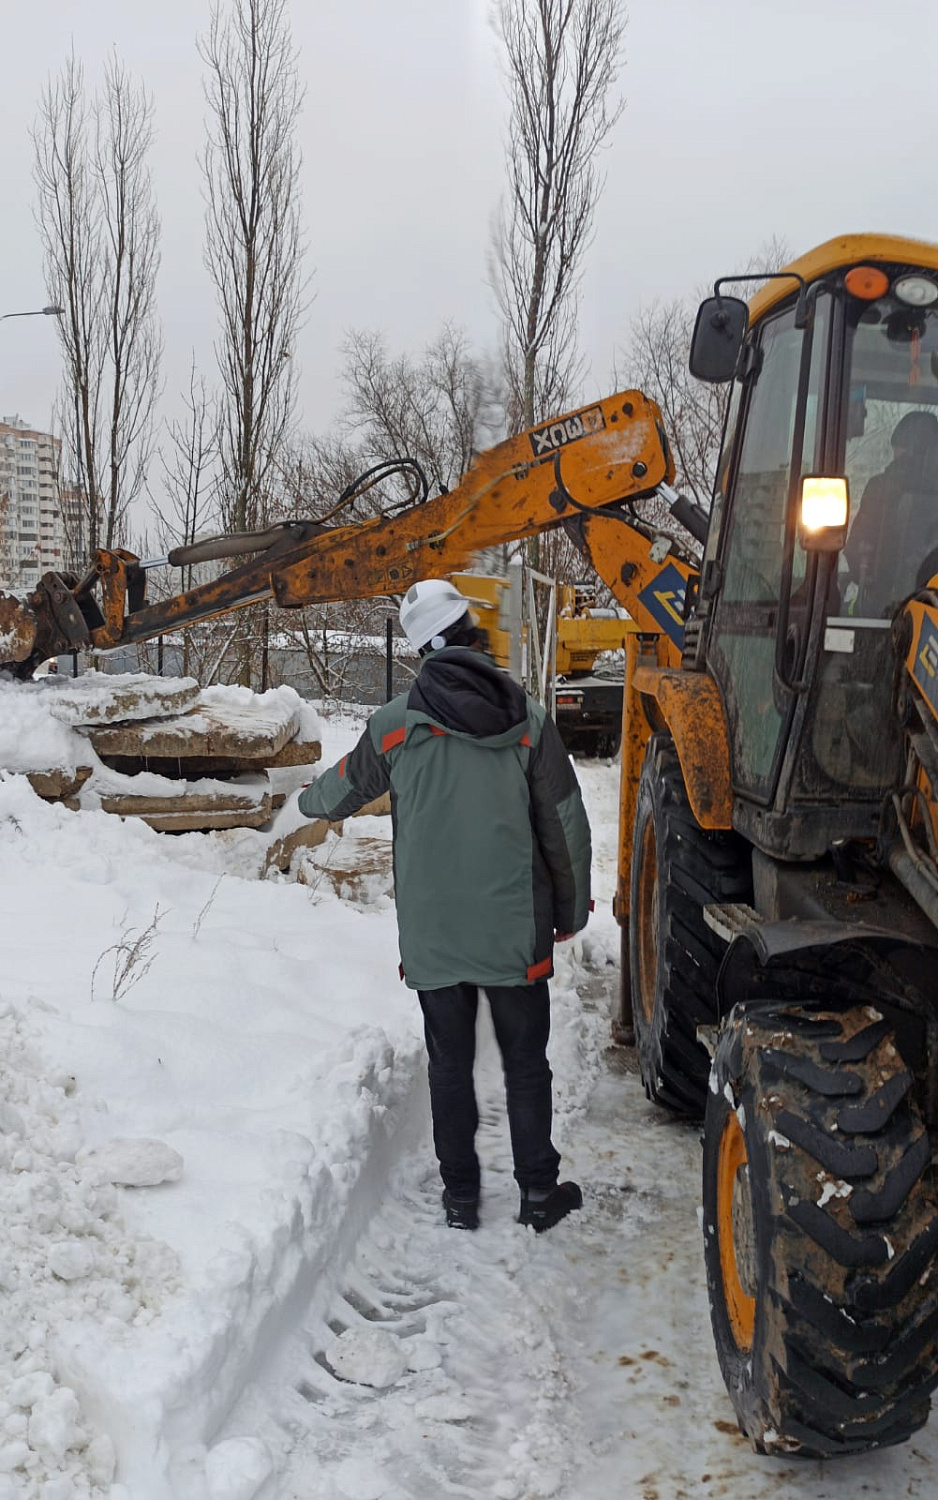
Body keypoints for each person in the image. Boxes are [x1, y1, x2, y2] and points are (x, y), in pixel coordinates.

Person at [298, 579, 592, 1233]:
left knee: (450, 1064)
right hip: (515, 933)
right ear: (470, 633)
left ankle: (461, 1198)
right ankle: (538, 1195)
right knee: (525, 1063)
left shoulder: (393, 727)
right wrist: (568, 912)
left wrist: (299, 800)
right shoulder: (529, 719)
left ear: (422, 649)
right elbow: (565, 822)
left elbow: (338, 793)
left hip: (433, 936)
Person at [845, 409, 938, 614]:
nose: (895, 457)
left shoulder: (880, 488)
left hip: (883, 610)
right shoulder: (882, 489)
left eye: (898, 450)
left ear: (911, 450)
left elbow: (854, 550)